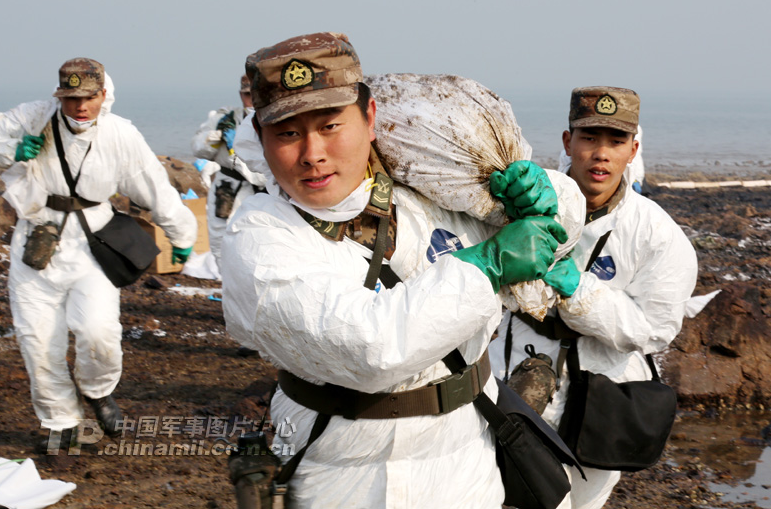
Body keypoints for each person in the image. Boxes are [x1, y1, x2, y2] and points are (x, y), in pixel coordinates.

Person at [222, 32, 570, 508]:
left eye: (329, 125)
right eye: (287, 133)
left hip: (466, 458)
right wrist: (485, 268)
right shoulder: (259, 240)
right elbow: (373, 349)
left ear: (369, 118)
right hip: (340, 472)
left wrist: (545, 201)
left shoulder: (427, 192)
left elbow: (554, 235)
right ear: (260, 139)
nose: (311, 153)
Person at [0, 58, 197, 451]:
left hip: (93, 239)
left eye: (88, 97)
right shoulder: (36, 117)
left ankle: (98, 391)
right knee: (37, 340)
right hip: (37, 238)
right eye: (71, 98)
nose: (80, 107)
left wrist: (181, 232)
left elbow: (151, 183)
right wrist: (13, 149)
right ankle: (62, 424)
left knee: (98, 331)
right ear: (60, 97)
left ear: (103, 94)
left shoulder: (120, 134)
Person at [489, 86, 698, 509]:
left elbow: (656, 329)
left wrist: (579, 290)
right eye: (588, 138)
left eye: (616, 141)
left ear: (633, 149)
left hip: (600, 400)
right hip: (510, 376)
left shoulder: (658, 234)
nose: (601, 154)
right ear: (568, 142)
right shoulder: (520, 204)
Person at [191, 74, 266, 270]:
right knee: (220, 239)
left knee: (258, 243)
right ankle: (226, 285)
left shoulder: (273, 123)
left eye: (256, 95)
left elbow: (264, 169)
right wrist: (216, 137)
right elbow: (198, 148)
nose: (251, 100)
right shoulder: (226, 118)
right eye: (247, 95)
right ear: (241, 95)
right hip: (227, 186)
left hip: (261, 191)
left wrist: (237, 151)